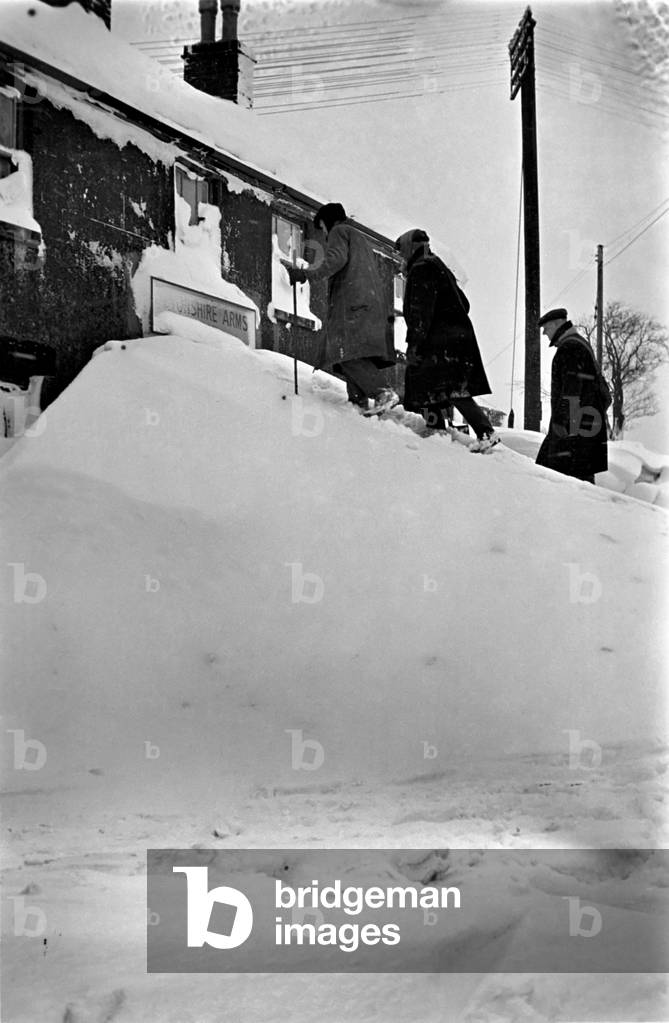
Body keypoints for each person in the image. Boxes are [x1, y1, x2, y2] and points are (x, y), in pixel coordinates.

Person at [286, 203, 398, 414]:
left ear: (329, 221)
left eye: (323, 227)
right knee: (354, 354)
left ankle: (382, 392)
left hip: (353, 306)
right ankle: (358, 403)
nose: (325, 234)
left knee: (345, 353)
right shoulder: (360, 239)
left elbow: (335, 260)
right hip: (370, 306)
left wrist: (306, 274)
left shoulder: (340, 231)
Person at [394, 229, 499, 451]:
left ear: (409, 249)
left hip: (440, 341)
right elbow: (465, 303)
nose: (402, 259)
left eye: (402, 253)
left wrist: (414, 342)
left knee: (441, 385)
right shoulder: (438, 265)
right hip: (454, 338)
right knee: (440, 385)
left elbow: (419, 313)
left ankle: (483, 432)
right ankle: (439, 429)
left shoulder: (422, 268)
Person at [535, 308, 610, 484]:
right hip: (584, 427)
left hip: (573, 429)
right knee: (580, 480)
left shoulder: (570, 348)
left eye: (546, 328)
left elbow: (572, 389)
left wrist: (561, 422)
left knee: (553, 478)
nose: (544, 333)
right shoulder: (579, 344)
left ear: (555, 324)